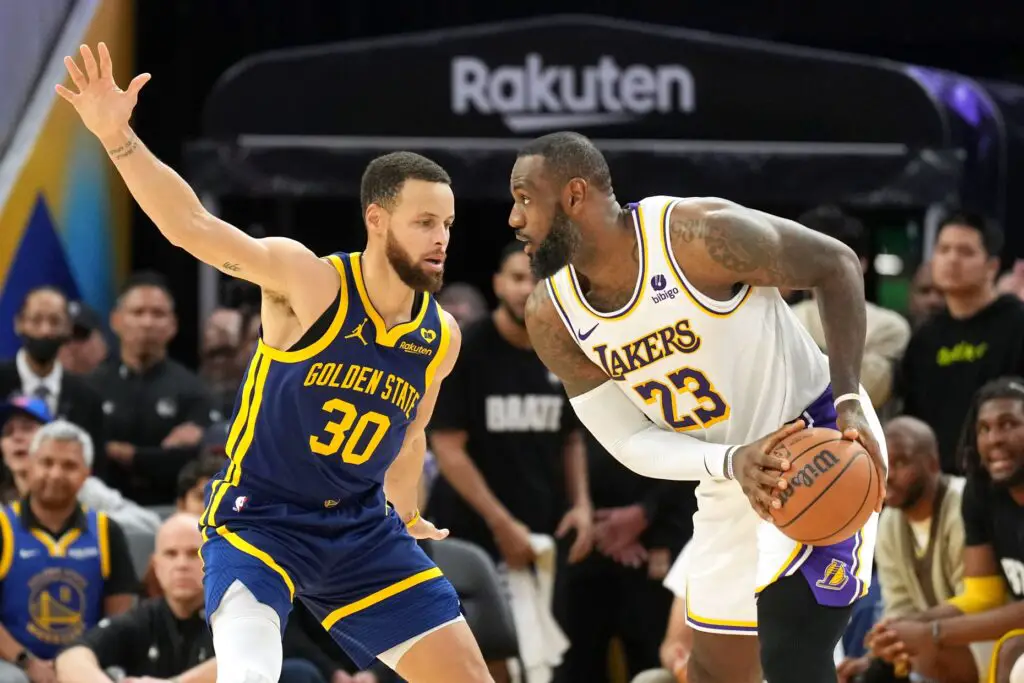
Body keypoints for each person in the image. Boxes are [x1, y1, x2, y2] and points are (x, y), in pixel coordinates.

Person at [57, 43, 491, 683]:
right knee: (250, 676)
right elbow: (193, 228)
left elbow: (411, 429)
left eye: (448, 224)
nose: (440, 239)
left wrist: (403, 509)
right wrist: (119, 138)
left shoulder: (440, 334)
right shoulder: (307, 281)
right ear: (376, 220)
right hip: (259, 521)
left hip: (360, 529)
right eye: (424, 221)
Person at [510, 131, 888, 683]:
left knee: (792, 656)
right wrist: (729, 461)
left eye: (524, 198)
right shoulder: (551, 314)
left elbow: (836, 265)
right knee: (710, 672)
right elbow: (627, 440)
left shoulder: (696, 236)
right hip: (731, 474)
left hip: (816, 443)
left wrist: (851, 397)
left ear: (573, 195)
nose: (514, 219)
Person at [868, 378, 1024, 683]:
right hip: (1006, 634)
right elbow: (982, 595)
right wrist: (906, 626)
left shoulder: (957, 499)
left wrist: (932, 631)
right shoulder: (983, 495)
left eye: (1009, 424)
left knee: (1014, 660)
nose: (994, 439)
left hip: (1000, 634)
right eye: (984, 429)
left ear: (932, 463)